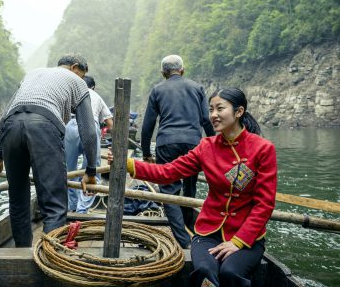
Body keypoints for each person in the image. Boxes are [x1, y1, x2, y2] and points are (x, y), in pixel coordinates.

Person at [116, 88, 277, 286]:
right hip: (208, 232)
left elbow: (265, 204)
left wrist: (237, 242)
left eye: (220, 109)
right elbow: (168, 172)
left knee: (230, 272)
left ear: (239, 112)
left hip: (246, 235)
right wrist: (129, 164)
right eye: (211, 110)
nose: (214, 115)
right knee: (204, 271)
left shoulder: (263, 149)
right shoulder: (206, 147)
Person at [0, 54, 98, 247]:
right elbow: (88, 130)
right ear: (75, 67)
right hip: (44, 127)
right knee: (54, 204)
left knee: (18, 199)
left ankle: (21, 252)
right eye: (81, 74)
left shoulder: (32, 74)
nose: (81, 79)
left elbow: (5, 116)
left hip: (11, 127)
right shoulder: (77, 82)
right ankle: (49, 257)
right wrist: (91, 171)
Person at [140, 54, 215, 248]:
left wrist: (146, 152)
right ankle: (191, 228)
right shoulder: (197, 88)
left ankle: (184, 240)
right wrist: (216, 143)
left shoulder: (157, 90)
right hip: (193, 143)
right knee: (189, 187)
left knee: (169, 190)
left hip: (166, 143)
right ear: (182, 70)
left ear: (163, 73)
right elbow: (206, 120)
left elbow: (148, 124)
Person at [65, 75, 113, 213]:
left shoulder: (71, 93)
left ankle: (71, 206)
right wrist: (116, 147)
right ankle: (82, 209)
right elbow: (110, 123)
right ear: (93, 87)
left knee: (69, 169)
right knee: (92, 169)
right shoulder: (95, 95)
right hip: (90, 126)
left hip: (70, 127)